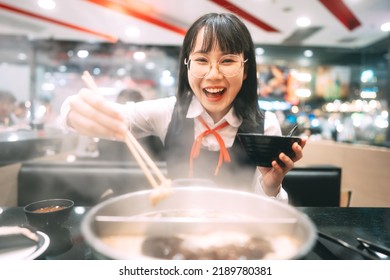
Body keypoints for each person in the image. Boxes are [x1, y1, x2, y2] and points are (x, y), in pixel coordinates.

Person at [60, 13, 306, 201]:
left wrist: (272, 186)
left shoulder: (265, 125)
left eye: (227, 60)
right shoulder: (168, 112)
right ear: (187, 66)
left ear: (245, 71)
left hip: (236, 236)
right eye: (201, 60)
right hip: (176, 230)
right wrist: (72, 111)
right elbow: (116, 116)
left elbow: (268, 213)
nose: (213, 74)